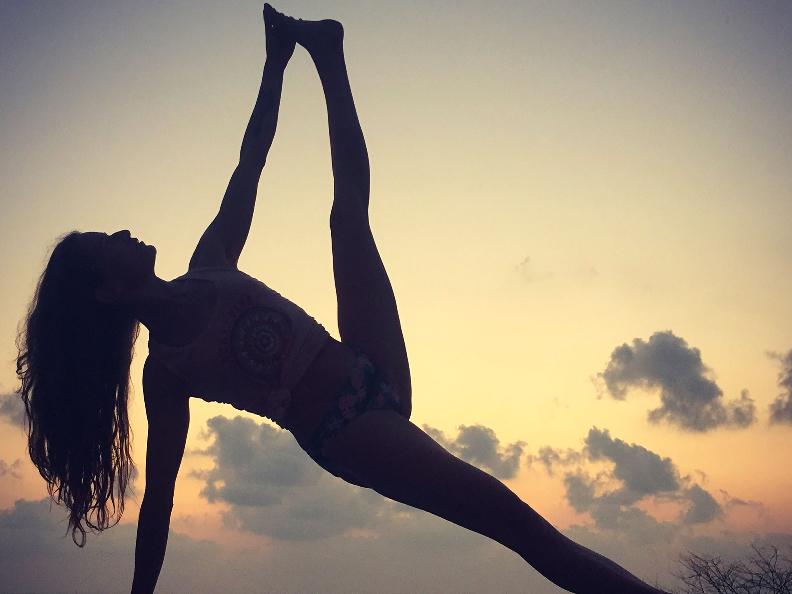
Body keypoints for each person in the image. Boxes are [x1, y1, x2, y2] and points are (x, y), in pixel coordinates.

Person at [15, 4, 670, 593]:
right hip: (349, 433)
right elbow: (159, 500)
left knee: (347, 217)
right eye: (108, 242)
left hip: (363, 360)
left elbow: (251, 159)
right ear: (107, 290)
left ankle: (328, 53)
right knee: (518, 525)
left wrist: (275, 64)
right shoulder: (168, 370)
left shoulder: (208, 265)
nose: (123, 233)